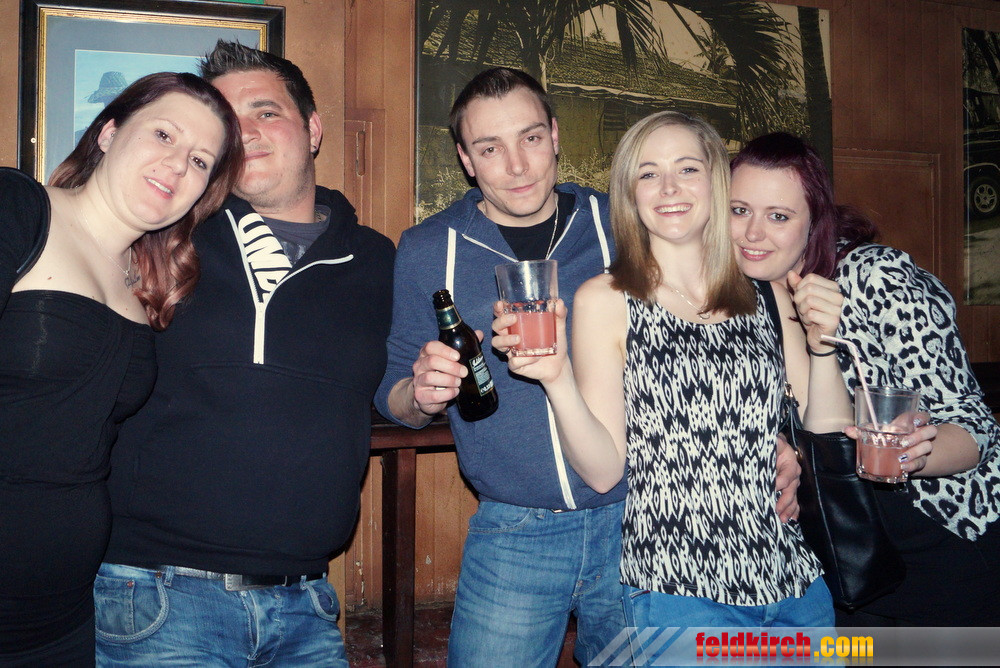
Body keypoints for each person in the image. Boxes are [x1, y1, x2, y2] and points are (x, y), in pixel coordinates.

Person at [375, 66, 801, 666]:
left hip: (644, 525)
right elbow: (390, 389)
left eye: (530, 138)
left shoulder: (622, 223)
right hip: (515, 534)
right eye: (490, 148)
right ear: (466, 160)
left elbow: (720, 316)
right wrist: (419, 394)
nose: (517, 165)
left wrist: (771, 439)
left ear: (554, 135)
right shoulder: (428, 248)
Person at [495, 111, 849, 662]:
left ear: (715, 181)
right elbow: (604, 471)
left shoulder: (764, 293)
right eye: (648, 173)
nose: (668, 188)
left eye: (687, 169)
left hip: (795, 585)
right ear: (629, 194)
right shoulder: (606, 299)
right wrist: (556, 379)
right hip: (678, 592)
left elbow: (827, 431)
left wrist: (823, 347)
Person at [93, 42, 395, 665]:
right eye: (229, 122)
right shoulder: (161, 237)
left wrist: (423, 392)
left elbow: (402, 395)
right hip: (157, 597)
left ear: (313, 130)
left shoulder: (378, 260)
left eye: (266, 112)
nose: (247, 133)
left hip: (308, 604)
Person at [0, 71, 243, 667]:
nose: (177, 164)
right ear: (107, 133)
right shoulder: (18, 206)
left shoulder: (145, 285)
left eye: (200, 160)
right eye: (163, 134)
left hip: (65, 608)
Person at [729, 131, 1000, 626]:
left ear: (815, 221)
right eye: (739, 210)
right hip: (840, 559)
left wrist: (913, 452)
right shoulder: (739, 305)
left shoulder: (874, 278)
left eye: (778, 216)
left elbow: (975, 427)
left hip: (941, 545)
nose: (752, 233)